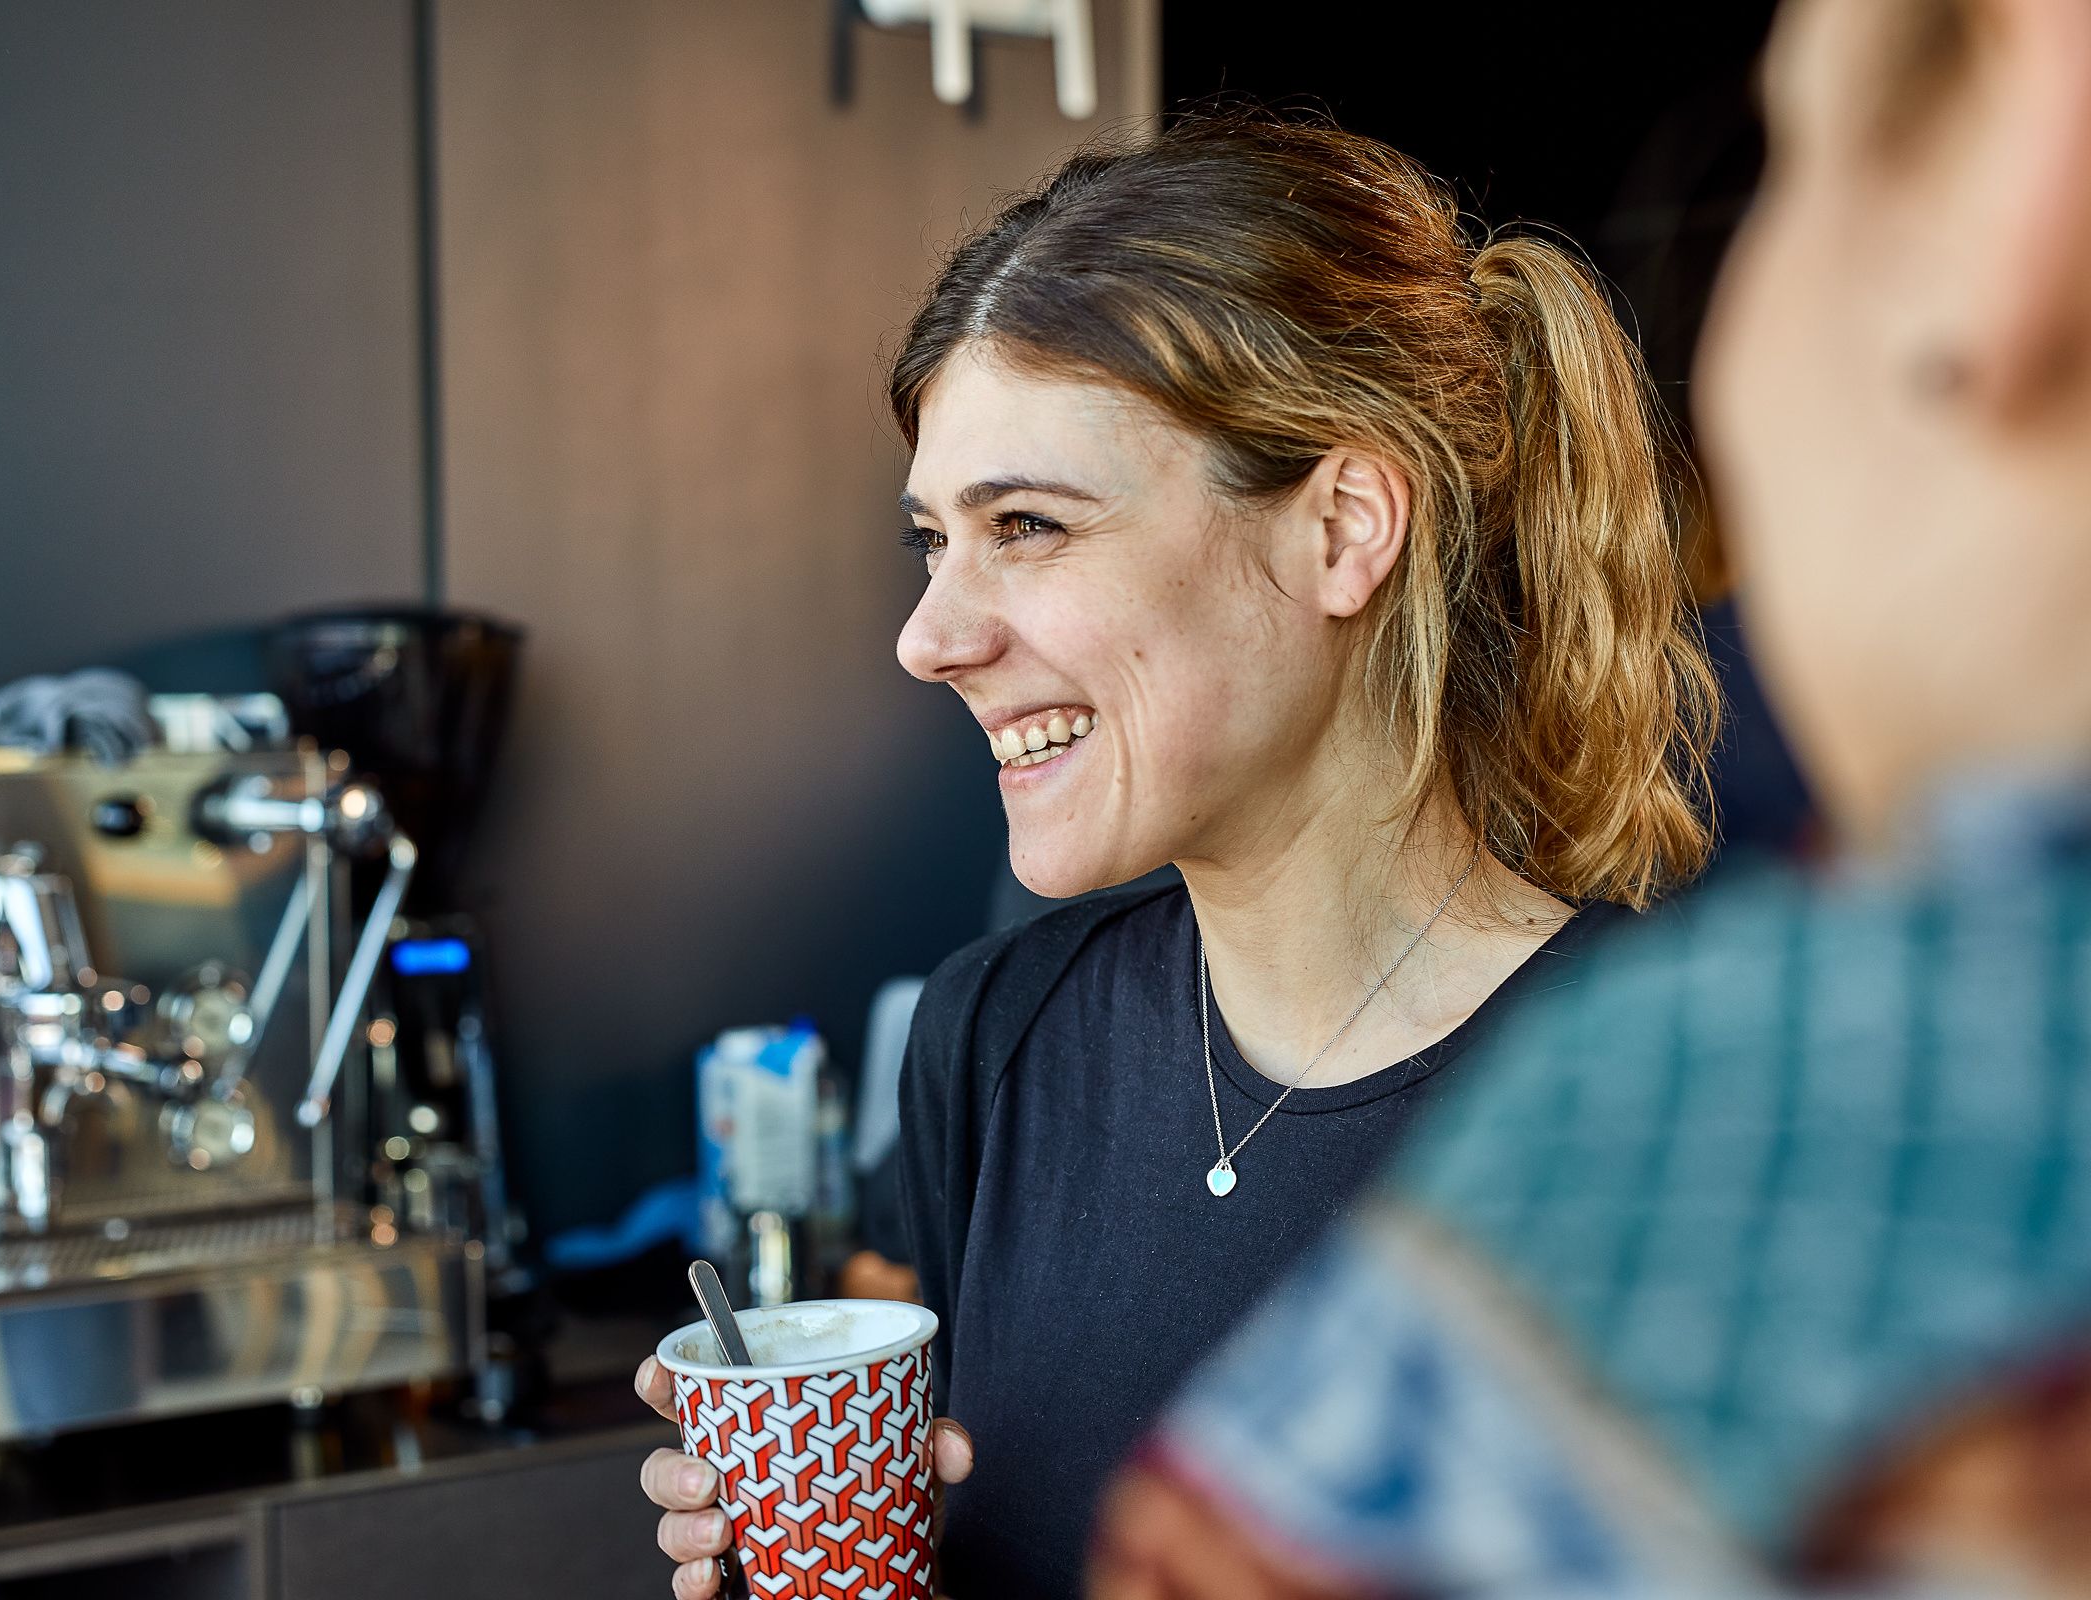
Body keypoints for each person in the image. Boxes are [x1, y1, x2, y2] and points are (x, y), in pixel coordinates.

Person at [635, 114, 1720, 1600]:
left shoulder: (1671, 1102)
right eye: (931, 542)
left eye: (1026, 524)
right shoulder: (999, 1040)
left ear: (1341, 528)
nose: (932, 637)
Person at [1091, 1, 2091, 1595]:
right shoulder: (1000, 1039)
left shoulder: (1714, 1129)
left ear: (2025, 159)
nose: (932, 639)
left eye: (1792, 160)